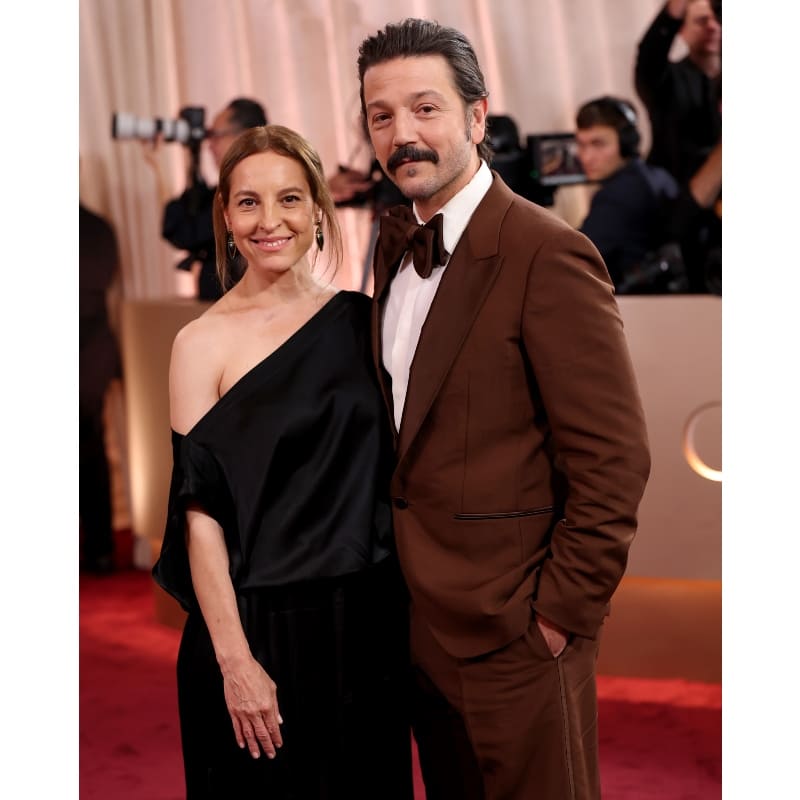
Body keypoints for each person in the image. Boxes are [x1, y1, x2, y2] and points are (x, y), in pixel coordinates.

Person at [357, 18, 651, 800]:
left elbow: (614, 460)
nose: (403, 135)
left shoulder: (546, 253)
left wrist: (557, 618)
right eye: (381, 116)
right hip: (417, 630)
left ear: (477, 117)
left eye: (425, 109)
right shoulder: (392, 246)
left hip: (519, 635)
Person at [151, 124, 412, 799]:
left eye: (290, 199)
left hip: (367, 632)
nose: (271, 221)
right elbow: (197, 514)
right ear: (226, 219)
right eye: (248, 203)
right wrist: (235, 662)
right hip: (255, 630)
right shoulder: (200, 343)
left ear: (320, 211)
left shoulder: (365, 322)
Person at [143, 98, 268, 300]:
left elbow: (184, 231)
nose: (210, 145)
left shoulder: (246, 194)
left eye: (216, 136)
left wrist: (159, 168)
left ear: (244, 137)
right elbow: (190, 212)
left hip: (240, 316)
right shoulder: (232, 188)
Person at [574, 96, 682, 293]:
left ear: (626, 144)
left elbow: (575, 259)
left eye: (598, 144)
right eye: (581, 145)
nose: (586, 157)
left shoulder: (616, 196)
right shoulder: (660, 177)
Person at [634, 0, 721, 185]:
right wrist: (674, 10)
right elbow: (650, 54)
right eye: (702, 21)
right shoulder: (666, 80)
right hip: (678, 195)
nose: (713, 27)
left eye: (719, 19)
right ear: (681, 30)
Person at [79, 202, 122, 574]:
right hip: (91, 348)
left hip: (87, 349)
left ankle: (99, 549)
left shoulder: (93, 228)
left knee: (88, 446)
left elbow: (92, 283)